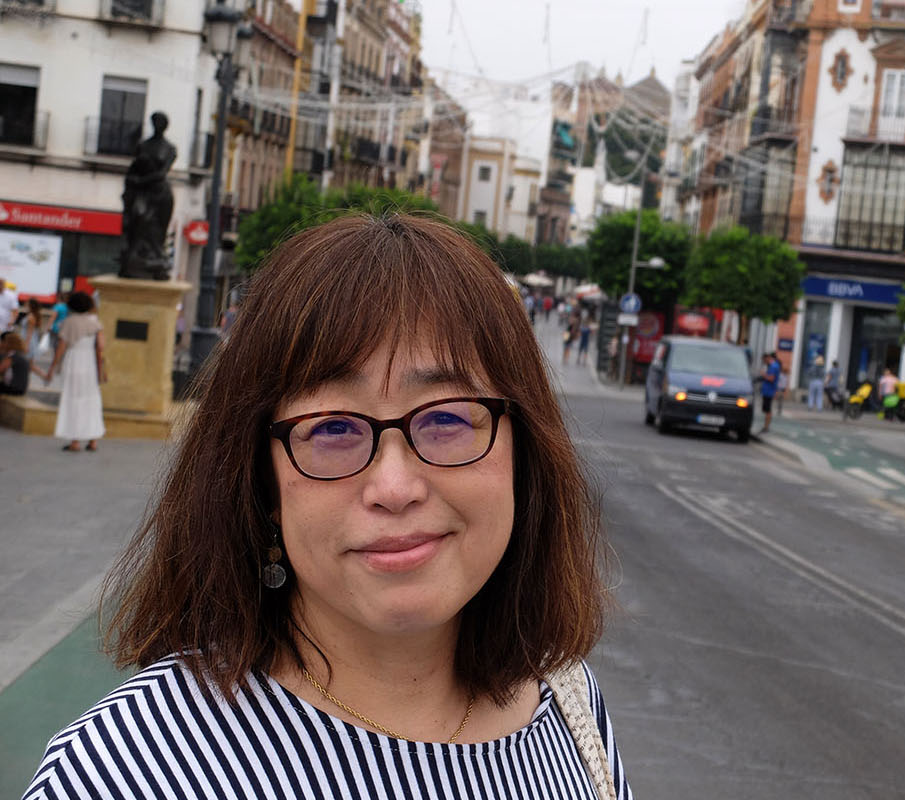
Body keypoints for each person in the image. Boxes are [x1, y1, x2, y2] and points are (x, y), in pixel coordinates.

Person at [23, 214, 631, 800]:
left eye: (446, 418)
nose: (394, 487)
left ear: (525, 451)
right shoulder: (129, 771)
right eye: (333, 428)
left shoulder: (570, 709)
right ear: (258, 477)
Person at [38, 291, 106, 452]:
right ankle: (93, 440)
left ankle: (75, 441)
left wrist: (52, 368)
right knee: (92, 399)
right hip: (90, 364)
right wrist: (100, 368)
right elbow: (101, 347)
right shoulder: (95, 323)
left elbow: (60, 349)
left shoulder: (69, 322)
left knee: (73, 399)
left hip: (74, 362)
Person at [0, 331, 31, 395]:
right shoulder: (20, 354)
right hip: (20, 389)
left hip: (14, 388)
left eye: (4, 342)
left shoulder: (12, 356)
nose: (2, 344)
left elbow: (1, 369)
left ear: (9, 343)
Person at [759, 352, 780, 433]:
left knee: (768, 409)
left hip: (769, 390)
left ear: (767, 358)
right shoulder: (773, 366)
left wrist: (763, 375)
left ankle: (766, 427)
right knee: (766, 409)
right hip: (767, 390)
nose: (764, 362)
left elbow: (771, 378)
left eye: (764, 360)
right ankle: (766, 426)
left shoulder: (773, 366)